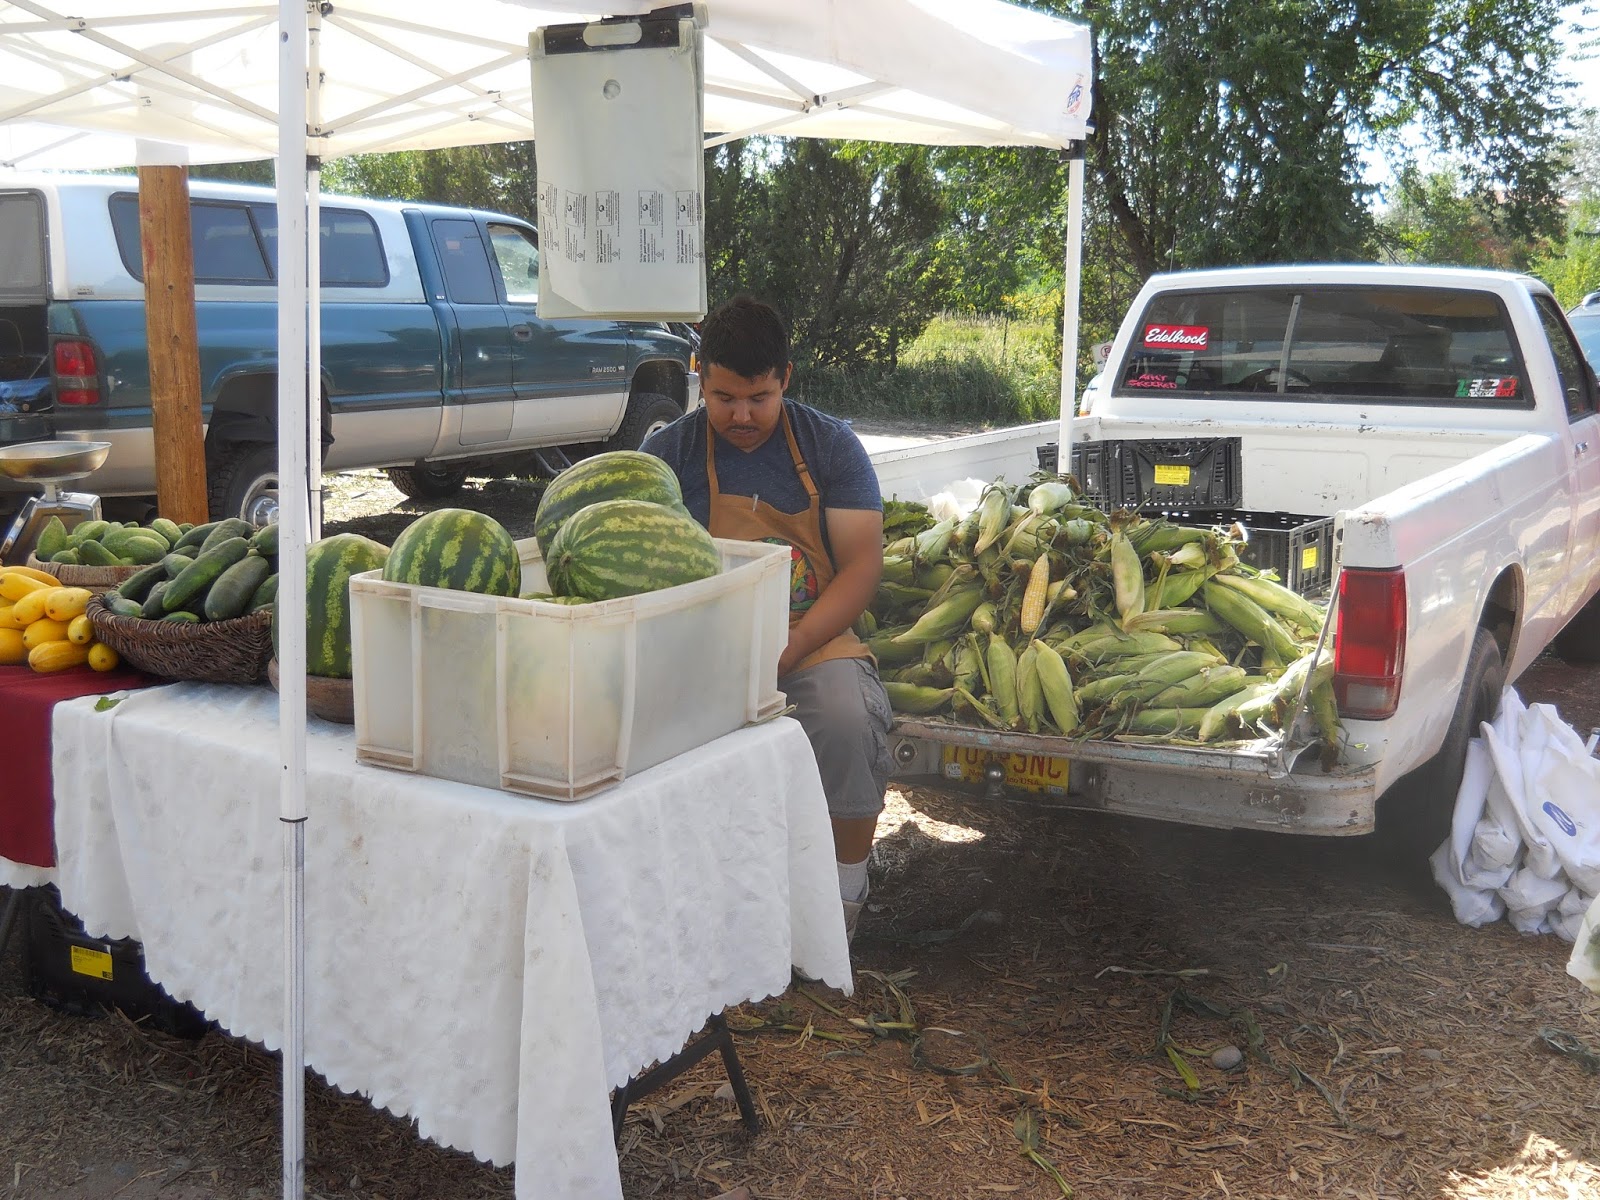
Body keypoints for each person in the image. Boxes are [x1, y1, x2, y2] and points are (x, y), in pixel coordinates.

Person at [642, 294, 893, 944]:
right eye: (725, 398)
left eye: (758, 397)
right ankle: (691, 904)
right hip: (694, 647)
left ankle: (844, 895)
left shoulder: (829, 445)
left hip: (808, 638)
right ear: (700, 374)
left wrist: (793, 642)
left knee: (846, 718)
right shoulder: (666, 453)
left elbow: (861, 566)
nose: (742, 415)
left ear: (785, 375)